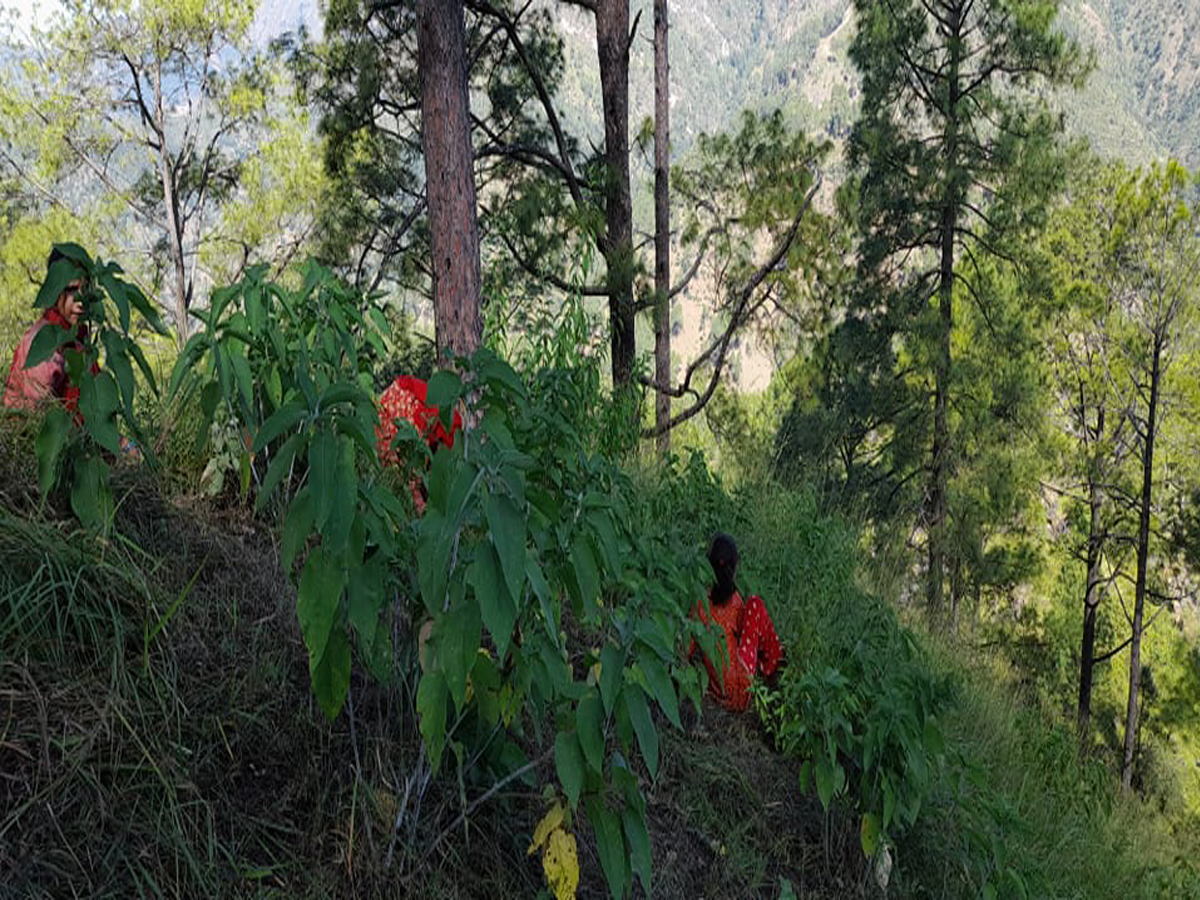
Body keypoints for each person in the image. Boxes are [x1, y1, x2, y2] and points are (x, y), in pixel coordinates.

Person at [690, 532, 783, 711]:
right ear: (734, 568)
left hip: (722, 695)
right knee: (755, 603)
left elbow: (685, 651)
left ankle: (769, 667)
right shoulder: (735, 600)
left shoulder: (700, 606)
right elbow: (746, 636)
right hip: (744, 689)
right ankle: (774, 667)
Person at [3, 248, 93, 413]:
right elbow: (35, 421)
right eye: (72, 290)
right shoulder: (43, 344)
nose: (81, 301)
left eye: (85, 289)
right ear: (54, 290)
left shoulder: (78, 337)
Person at [375, 374, 463, 513]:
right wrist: (421, 507)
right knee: (402, 462)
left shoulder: (446, 424)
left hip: (398, 395)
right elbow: (414, 467)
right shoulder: (426, 425)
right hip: (403, 406)